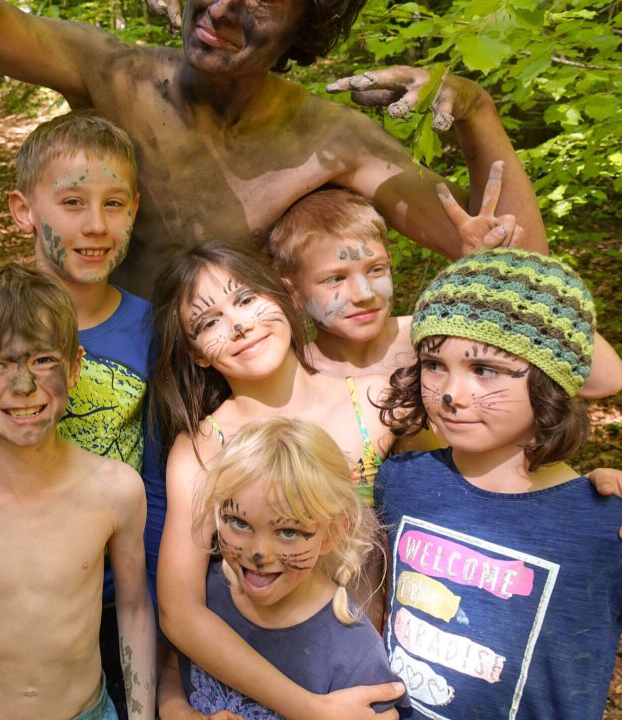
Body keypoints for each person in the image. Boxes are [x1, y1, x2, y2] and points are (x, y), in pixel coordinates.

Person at [0, 0, 548, 300]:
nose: (224, 7)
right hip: (90, 394)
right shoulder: (111, 70)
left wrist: (475, 110)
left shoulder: (328, 140)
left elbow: (520, 261)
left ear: (308, 22)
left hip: (234, 421)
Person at [0, 110, 165, 713]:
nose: (95, 225)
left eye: (114, 204)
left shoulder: (152, 329)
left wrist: (151, 588)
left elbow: (159, 474)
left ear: (135, 210)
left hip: (121, 600)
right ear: (24, 211)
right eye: (72, 202)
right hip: (13, 597)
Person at [150, 242, 410, 718]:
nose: (239, 325)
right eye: (208, 323)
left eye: (246, 299)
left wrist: (587, 487)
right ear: (197, 355)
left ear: (283, 297)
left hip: (363, 674)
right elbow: (179, 612)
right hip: (249, 688)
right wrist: (309, 709)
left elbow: (471, 483)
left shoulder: (377, 404)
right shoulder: (202, 447)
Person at [374, 248, 622, 718]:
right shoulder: (401, 480)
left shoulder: (604, 525)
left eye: (485, 369)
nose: (450, 392)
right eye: (433, 364)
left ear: (552, 380)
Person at [0, 262, 156, 719]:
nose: (24, 386)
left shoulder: (116, 491)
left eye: (43, 360)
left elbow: (135, 611)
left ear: (75, 366)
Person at [267, 182, 622, 396]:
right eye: (335, 279)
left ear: (390, 261)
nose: (363, 293)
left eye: (375, 269)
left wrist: (499, 275)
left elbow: (604, 380)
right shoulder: (289, 371)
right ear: (293, 291)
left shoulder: (442, 336)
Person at [165, 416, 410, 719]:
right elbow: (173, 670)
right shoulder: (209, 593)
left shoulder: (352, 653)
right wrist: (179, 711)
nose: (258, 553)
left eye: (288, 532)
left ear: (331, 534)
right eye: (240, 523)